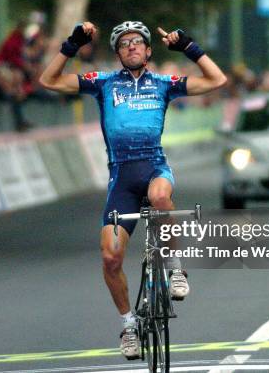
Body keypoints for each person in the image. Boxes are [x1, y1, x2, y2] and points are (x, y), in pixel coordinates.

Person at [39, 21, 226, 359]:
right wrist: (73, 43)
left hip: (155, 168)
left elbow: (217, 80)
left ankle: (175, 267)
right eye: (124, 44)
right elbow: (48, 80)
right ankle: (128, 326)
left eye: (137, 42)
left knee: (159, 198)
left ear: (149, 50)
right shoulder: (103, 83)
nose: (131, 47)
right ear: (117, 53)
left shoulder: (164, 83)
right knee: (111, 257)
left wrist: (187, 46)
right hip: (121, 178)